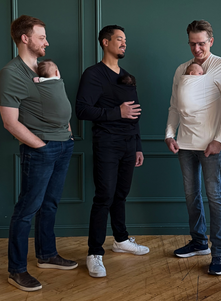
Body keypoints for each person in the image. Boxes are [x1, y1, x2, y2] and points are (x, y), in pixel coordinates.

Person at [0, 15, 77, 292]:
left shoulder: (45, 68)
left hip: (64, 145)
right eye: (41, 37)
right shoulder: (13, 72)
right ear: (25, 38)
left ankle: (46, 255)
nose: (47, 41)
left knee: (50, 204)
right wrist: (40, 145)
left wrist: (67, 133)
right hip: (41, 149)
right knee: (26, 210)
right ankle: (17, 270)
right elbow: (9, 121)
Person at [76, 25, 149, 278]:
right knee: (104, 196)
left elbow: (135, 114)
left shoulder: (127, 76)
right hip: (107, 143)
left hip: (129, 145)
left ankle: (121, 239)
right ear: (105, 42)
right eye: (119, 39)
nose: (124, 44)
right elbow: (82, 110)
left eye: (125, 40)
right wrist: (115, 112)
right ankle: (94, 252)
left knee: (121, 194)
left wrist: (138, 146)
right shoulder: (94, 74)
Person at [165, 20, 221, 275]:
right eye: (192, 43)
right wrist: (169, 133)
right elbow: (174, 105)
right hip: (184, 144)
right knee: (190, 195)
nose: (197, 48)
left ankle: (219, 254)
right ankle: (198, 242)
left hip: (211, 146)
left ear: (211, 41)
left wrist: (220, 139)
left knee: (214, 198)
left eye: (202, 43)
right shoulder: (181, 69)